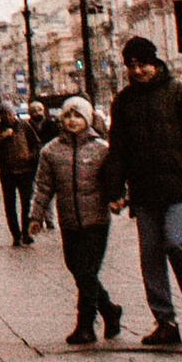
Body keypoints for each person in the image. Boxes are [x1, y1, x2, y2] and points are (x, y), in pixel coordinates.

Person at [102, 35, 182, 347]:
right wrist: (114, 189)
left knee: (177, 242)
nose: (138, 70)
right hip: (144, 188)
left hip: (178, 186)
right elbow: (118, 150)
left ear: (155, 62)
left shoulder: (180, 92)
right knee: (150, 256)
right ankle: (165, 320)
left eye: (143, 64)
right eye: (132, 65)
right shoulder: (124, 101)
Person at [31, 97, 122, 345]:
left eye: (78, 116)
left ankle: (85, 325)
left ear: (88, 120)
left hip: (96, 221)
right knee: (76, 268)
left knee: (86, 270)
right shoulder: (51, 151)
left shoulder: (101, 149)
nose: (72, 121)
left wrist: (118, 199)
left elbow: (113, 179)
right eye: (68, 116)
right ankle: (110, 311)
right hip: (69, 221)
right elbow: (44, 186)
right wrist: (36, 216)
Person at [0, 110, 38, 245]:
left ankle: (26, 232)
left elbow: (36, 144)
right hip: (7, 172)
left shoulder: (24, 126)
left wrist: (30, 157)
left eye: (9, 114)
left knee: (27, 203)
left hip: (25, 171)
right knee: (10, 205)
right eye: (4, 115)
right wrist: (2, 136)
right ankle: (16, 234)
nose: (7, 117)